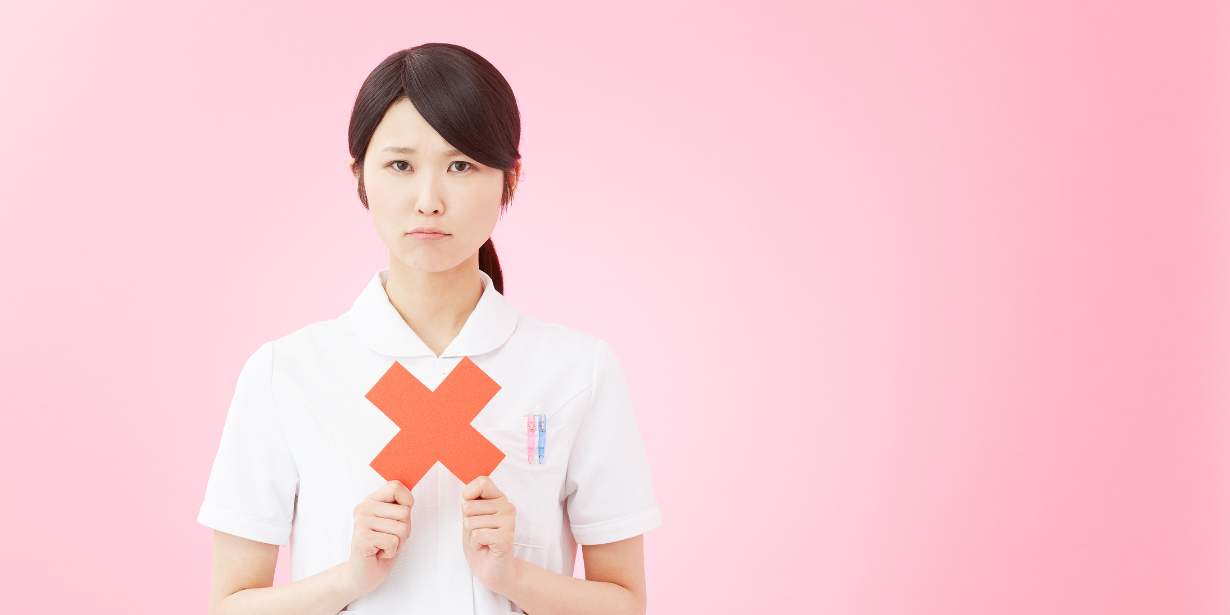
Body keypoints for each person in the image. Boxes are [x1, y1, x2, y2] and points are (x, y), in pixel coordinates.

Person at [198, 43, 661, 615]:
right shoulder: (287, 373)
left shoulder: (576, 371)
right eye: (400, 165)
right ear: (359, 176)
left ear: (511, 178)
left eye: (461, 165)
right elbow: (231, 605)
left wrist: (511, 575)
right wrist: (350, 579)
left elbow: (624, 602)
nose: (428, 201)